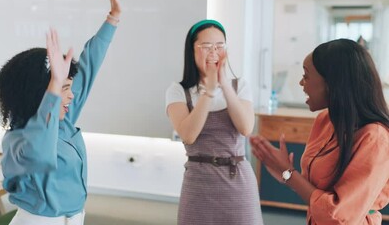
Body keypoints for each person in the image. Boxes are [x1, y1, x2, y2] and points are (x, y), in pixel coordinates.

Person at [0, 0, 120, 224]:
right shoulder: (17, 140)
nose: (71, 96)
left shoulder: (64, 120)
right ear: (39, 92)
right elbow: (41, 153)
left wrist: (112, 18)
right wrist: (55, 86)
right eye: (64, 88)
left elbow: (89, 65)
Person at [250, 38, 389, 224]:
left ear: (333, 83)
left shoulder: (375, 139)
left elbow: (339, 217)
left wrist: (288, 173)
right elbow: (314, 190)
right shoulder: (325, 120)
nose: (301, 82)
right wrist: (285, 173)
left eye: (306, 76)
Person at [165, 19, 263, 224]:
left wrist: (224, 84)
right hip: (198, 183)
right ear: (191, 51)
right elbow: (188, 135)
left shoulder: (240, 86)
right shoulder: (178, 90)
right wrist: (208, 92)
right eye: (206, 46)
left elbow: (245, 128)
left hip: (238, 181)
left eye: (220, 46)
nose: (214, 52)